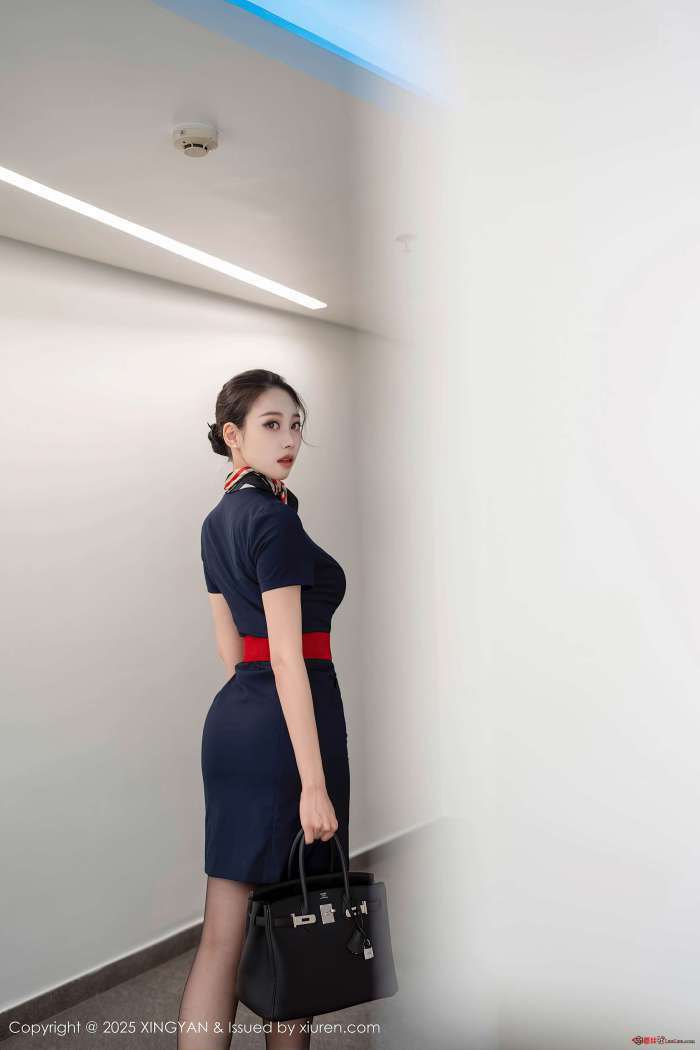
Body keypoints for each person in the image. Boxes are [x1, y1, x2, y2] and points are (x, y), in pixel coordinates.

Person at [178, 369, 350, 1050]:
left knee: (222, 932)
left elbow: (232, 649)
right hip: (286, 730)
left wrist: (257, 723)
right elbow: (287, 657)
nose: (290, 439)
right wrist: (312, 783)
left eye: (296, 424)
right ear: (233, 435)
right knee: (296, 927)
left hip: (235, 723)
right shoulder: (274, 520)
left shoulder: (216, 520)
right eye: (272, 424)